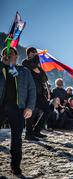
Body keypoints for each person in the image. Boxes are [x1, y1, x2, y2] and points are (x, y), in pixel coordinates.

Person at [0, 47, 36, 175]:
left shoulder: (24, 71)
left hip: (18, 108)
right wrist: (3, 63)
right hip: (1, 107)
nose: (10, 57)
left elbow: (32, 90)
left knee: (16, 139)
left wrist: (30, 107)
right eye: (6, 55)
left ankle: (15, 166)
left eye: (12, 55)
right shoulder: (1, 68)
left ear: (17, 57)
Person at [22, 47, 50, 140]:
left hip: (40, 93)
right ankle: (28, 134)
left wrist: (38, 67)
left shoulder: (38, 65)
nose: (35, 53)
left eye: (35, 52)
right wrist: (37, 66)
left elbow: (45, 78)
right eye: (33, 52)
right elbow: (35, 69)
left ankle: (37, 130)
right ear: (29, 53)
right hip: (30, 91)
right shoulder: (25, 62)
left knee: (48, 109)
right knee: (30, 113)